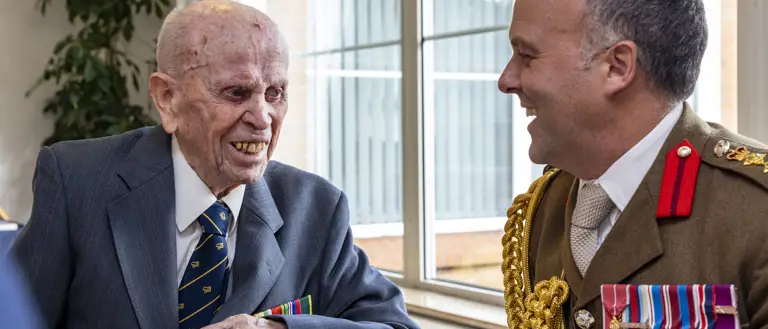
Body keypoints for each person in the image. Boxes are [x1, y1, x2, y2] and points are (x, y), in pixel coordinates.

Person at [11, 1, 419, 328]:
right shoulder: (76, 181)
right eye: (237, 92)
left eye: (275, 92)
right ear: (166, 98)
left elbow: (392, 325)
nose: (262, 117)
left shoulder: (317, 208)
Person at [497, 0, 768, 328]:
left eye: (526, 56)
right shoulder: (545, 207)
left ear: (617, 66)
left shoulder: (755, 213)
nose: (506, 80)